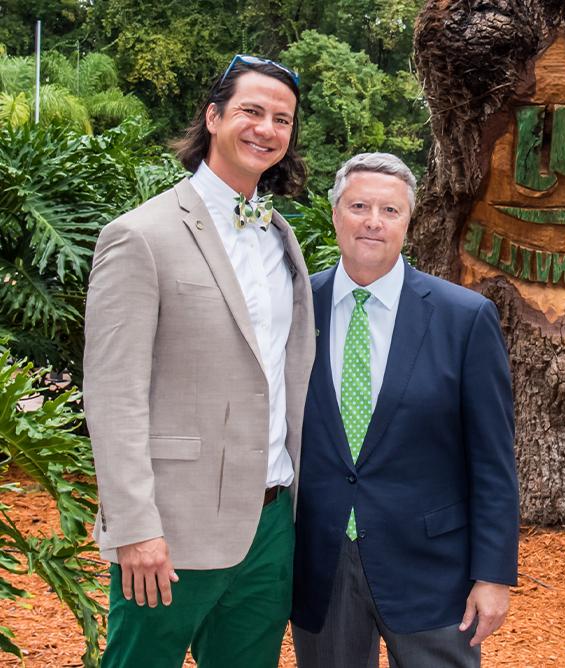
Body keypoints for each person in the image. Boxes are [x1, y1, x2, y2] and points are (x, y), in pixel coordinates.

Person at [83, 54, 315, 667]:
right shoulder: (141, 235)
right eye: (251, 111)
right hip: (172, 527)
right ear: (213, 117)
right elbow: (113, 395)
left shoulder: (280, 237)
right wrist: (134, 527)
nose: (266, 128)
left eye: (282, 119)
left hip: (271, 524)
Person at [291, 153, 519, 667]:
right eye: (359, 206)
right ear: (335, 214)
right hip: (321, 566)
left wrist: (494, 575)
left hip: (433, 572)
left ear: (408, 222)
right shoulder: (297, 306)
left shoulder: (465, 318)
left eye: (390, 211)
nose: (373, 221)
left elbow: (493, 462)